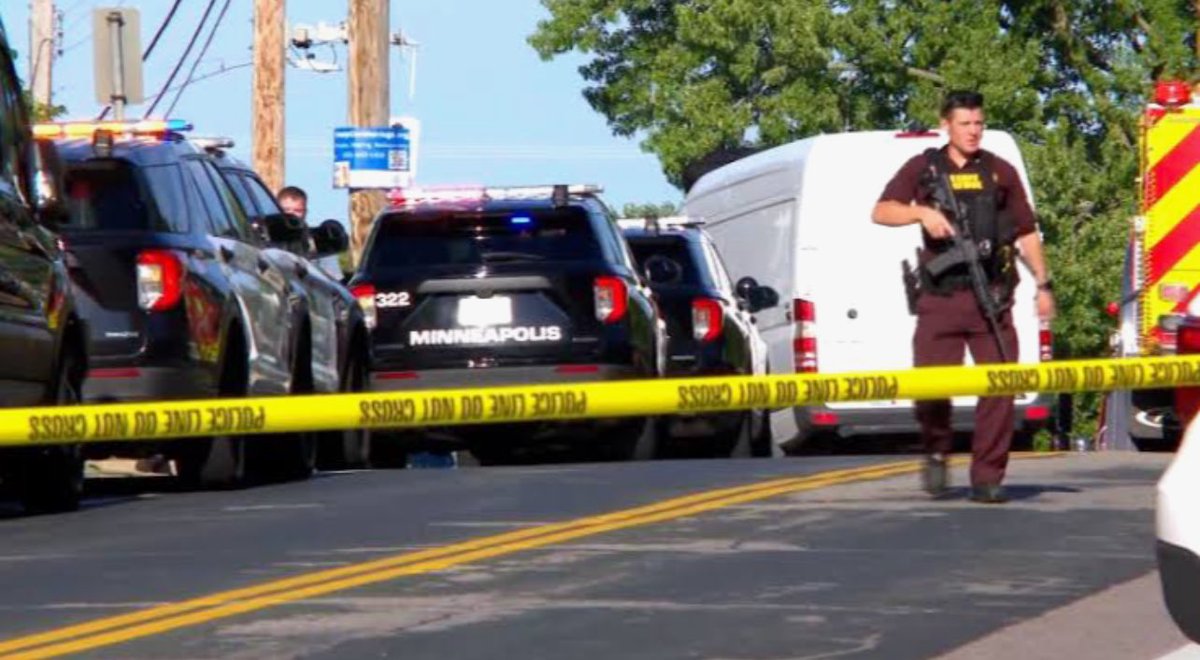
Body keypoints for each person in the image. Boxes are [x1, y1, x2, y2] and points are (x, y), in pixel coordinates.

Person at [871, 90, 1055, 504]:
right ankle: (936, 449)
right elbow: (881, 211)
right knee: (933, 387)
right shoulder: (924, 167)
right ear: (946, 126)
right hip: (941, 300)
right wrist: (921, 212)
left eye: (978, 123)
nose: (973, 131)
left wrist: (1043, 285)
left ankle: (987, 476)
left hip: (991, 295)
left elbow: (1026, 231)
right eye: (965, 124)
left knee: (1000, 387)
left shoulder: (999, 171)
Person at [278, 185, 344, 281]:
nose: (291, 215)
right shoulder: (265, 237)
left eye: (297, 210)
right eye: (286, 210)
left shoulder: (317, 240)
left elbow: (333, 280)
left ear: (305, 212)